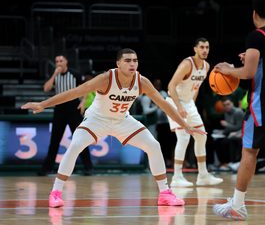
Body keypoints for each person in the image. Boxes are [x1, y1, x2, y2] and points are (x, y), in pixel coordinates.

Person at [21, 48, 206, 208]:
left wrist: (185, 125)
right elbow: (75, 92)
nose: (132, 64)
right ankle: (56, 193)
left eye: (135, 60)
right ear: (118, 64)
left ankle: (165, 194)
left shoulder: (142, 81)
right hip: (97, 119)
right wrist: (43, 104)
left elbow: (164, 105)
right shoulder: (105, 78)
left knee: (154, 145)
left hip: (122, 120)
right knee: (75, 146)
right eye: (127, 60)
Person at [212, 0, 265, 223]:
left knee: (249, 151)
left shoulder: (256, 36)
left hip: (264, 105)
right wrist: (253, 58)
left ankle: (238, 206)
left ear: (254, 14)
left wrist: (228, 69)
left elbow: (248, 74)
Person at [166, 37, 223, 187]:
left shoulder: (206, 66)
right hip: (174, 102)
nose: (205, 50)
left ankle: (203, 175)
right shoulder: (187, 64)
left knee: (201, 137)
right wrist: (179, 106)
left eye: (207, 47)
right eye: (202, 47)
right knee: (183, 138)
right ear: (195, 49)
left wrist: (191, 105)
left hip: (189, 103)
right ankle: (177, 177)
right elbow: (171, 86)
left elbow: (195, 87)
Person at [38, 55, 93, 176]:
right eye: (57, 61)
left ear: (66, 62)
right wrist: (53, 75)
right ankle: (47, 168)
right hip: (59, 109)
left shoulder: (75, 74)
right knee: (54, 140)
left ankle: (88, 167)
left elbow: (86, 87)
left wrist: (83, 101)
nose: (58, 63)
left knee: (80, 138)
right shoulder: (55, 76)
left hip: (73, 108)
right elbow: (46, 89)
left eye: (61, 61)